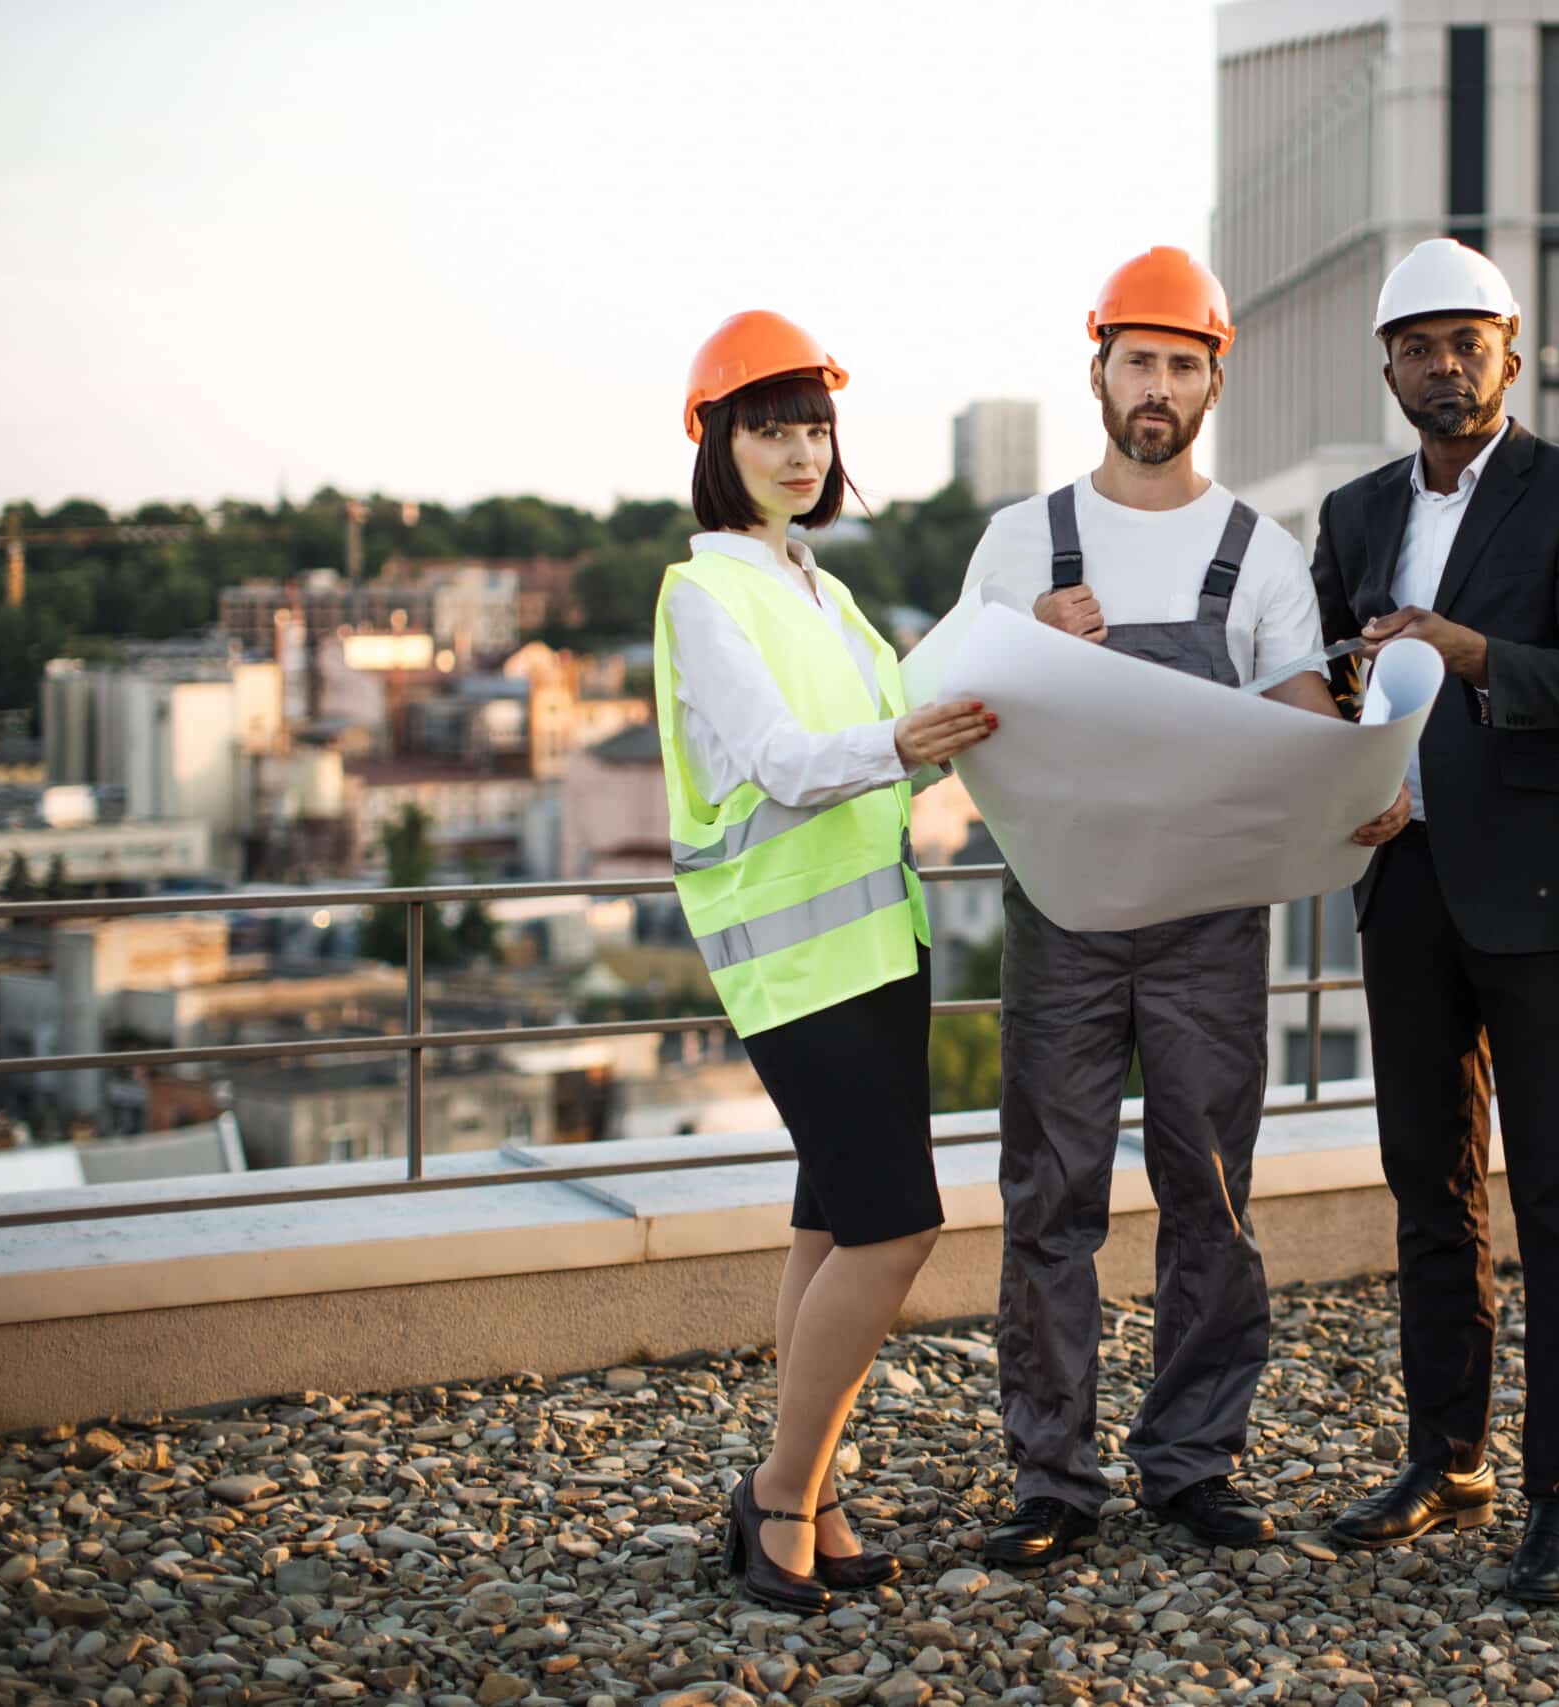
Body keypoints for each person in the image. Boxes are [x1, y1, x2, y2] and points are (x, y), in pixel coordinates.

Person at [962, 247, 1410, 1568]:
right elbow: (950, 718)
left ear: (1216, 378)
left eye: (1181, 364)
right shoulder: (1016, 544)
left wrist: (1362, 782)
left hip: (1211, 916)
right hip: (1065, 909)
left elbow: (1303, 728)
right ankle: (1053, 1478)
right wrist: (1036, 638)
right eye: (1137, 360)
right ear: (1096, 367)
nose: (1156, 386)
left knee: (1210, 1192)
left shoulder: (1257, 556)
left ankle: (1193, 1462)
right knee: (1051, 1198)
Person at [1309, 237, 1559, 1604]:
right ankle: (1447, 1457)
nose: (1444, 366)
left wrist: (1472, 657)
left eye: (1469, 341)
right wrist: (1349, 774)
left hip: (1540, 876)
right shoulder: (1349, 512)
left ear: (1510, 349)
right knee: (1426, 1184)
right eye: (1418, 346)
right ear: (1386, 364)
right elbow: (1331, 682)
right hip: (1408, 884)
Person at [655, 311, 997, 1610]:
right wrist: (908, 744)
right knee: (899, 1225)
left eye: (814, 426)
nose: (801, 451)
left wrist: (1014, 660)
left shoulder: (827, 589)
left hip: (878, 943)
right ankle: (779, 1497)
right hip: (794, 970)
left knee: (832, 1220)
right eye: (770, 427)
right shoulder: (704, 594)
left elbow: (916, 715)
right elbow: (785, 766)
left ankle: (822, 1487)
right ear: (717, 442)